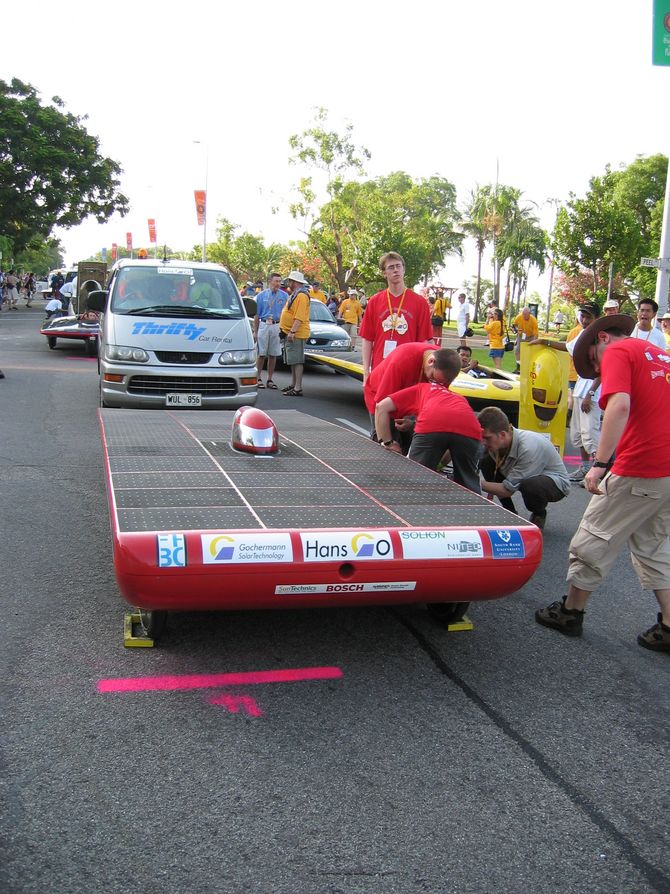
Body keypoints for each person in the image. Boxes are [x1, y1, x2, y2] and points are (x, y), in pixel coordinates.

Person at [535, 313, 670, 654]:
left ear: (602, 340)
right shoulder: (658, 354)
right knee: (654, 546)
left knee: (594, 535)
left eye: (592, 360)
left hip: (641, 464)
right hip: (666, 470)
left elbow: (619, 405)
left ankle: (571, 612)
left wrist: (600, 463)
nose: (597, 369)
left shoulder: (618, 354)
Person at [374, 349, 482, 493]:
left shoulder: (422, 388)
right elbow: (452, 430)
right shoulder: (458, 398)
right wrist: (414, 424)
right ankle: (476, 509)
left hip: (433, 423)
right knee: (468, 482)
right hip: (470, 426)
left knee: (415, 478)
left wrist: (387, 442)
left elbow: (381, 407)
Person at [478, 406, 571, 529]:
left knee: (530, 485)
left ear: (502, 435)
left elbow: (507, 490)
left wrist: (474, 482)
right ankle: (510, 513)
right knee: (486, 461)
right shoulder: (497, 442)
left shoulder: (528, 447)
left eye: (487, 438)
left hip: (554, 483)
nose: (483, 442)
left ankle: (539, 513)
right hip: (518, 471)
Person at [364, 342, 456, 451]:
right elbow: (381, 407)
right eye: (431, 378)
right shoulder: (402, 361)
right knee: (388, 448)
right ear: (431, 361)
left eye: (439, 382)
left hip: (409, 397)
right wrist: (388, 442)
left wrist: (413, 422)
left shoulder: (446, 368)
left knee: (411, 444)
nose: (433, 384)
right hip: (380, 395)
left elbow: (433, 407)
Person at [359, 252, 432, 381]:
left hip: (409, 369)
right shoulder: (374, 302)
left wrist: (427, 373)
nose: (396, 270)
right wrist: (366, 372)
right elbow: (367, 339)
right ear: (384, 273)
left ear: (404, 269)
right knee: (379, 402)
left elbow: (425, 341)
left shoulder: (420, 303)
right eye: (391, 267)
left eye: (398, 266)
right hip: (380, 368)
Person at [279, 270, 311, 397]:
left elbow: (299, 317)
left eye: (290, 281)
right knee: (292, 360)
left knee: (297, 361)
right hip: (290, 332)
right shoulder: (295, 294)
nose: (289, 283)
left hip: (297, 333)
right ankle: (293, 384)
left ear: (295, 282)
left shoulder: (302, 296)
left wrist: (292, 331)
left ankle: (298, 387)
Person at [254, 273, 288, 390]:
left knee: (273, 353)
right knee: (261, 353)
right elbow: (257, 315)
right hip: (264, 324)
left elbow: (285, 314)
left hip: (276, 324)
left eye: (279, 281)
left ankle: (270, 379)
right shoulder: (261, 295)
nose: (278, 283)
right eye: (276, 281)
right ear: (270, 281)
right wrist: (255, 331)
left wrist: (284, 329)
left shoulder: (284, 296)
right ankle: (258, 378)